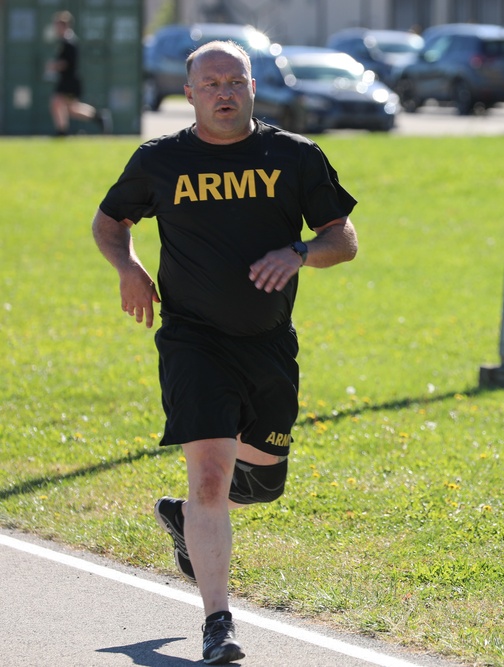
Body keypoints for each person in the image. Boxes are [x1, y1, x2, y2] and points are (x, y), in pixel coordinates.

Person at [91, 40, 358, 664]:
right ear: (188, 93)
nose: (223, 92)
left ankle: (186, 521)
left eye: (234, 80)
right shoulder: (160, 161)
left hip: (267, 343)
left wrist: (296, 254)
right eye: (209, 83)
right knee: (209, 478)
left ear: (253, 87)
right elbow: (109, 223)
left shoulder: (292, 156)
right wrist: (129, 270)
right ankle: (218, 625)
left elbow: (341, 239)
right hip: (192, 339)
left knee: (261, 486)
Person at [47, 11, 108, 136]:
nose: (56, 29)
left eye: (58, 26)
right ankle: (98, 116)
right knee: (72, 109)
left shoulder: (69, 43)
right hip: (67, 80)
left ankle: (61, 132)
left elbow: (67, 63)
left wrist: (54, 66)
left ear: (65, 26)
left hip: (69, 82)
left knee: (56, 102)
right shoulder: (65, 42)